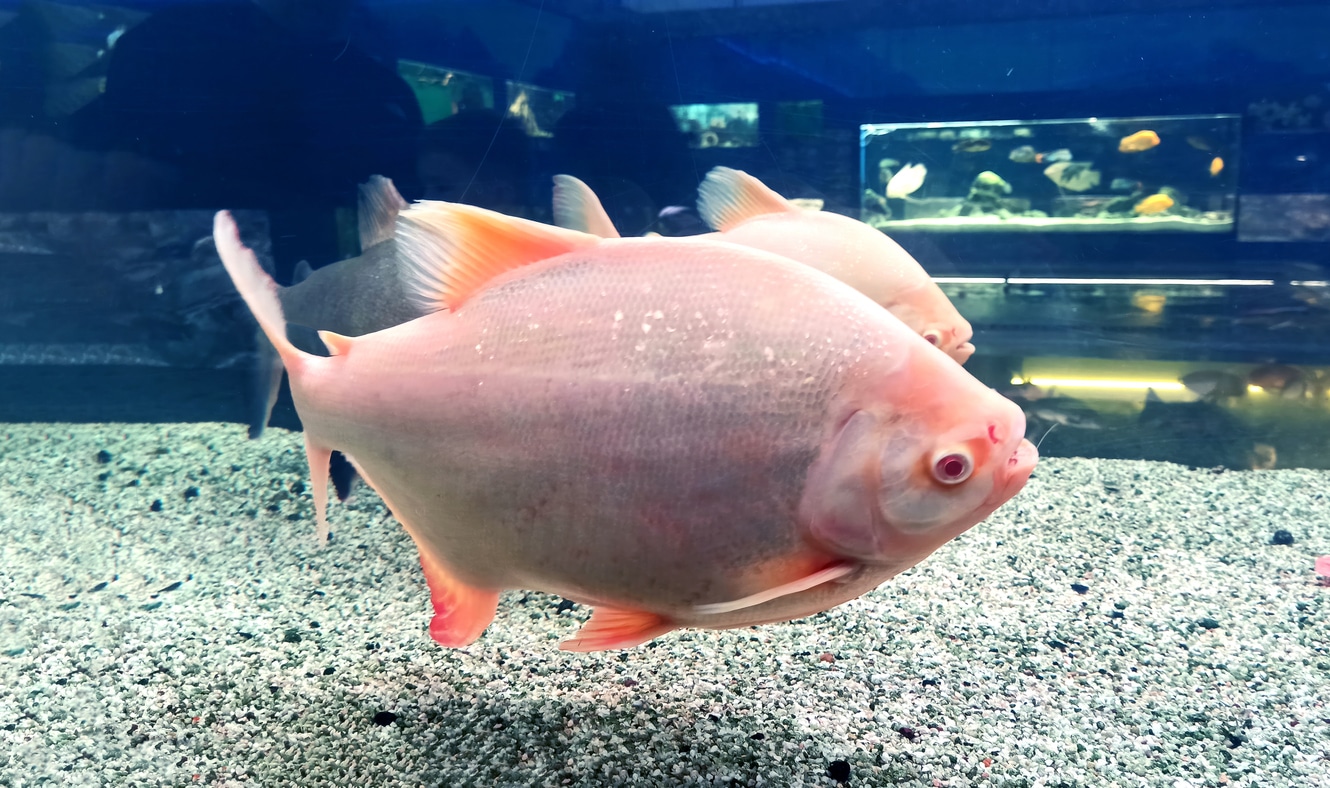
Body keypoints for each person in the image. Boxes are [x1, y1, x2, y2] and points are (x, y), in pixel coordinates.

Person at [75, 0, 424, 283]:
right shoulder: (166, 45)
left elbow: (402, 224)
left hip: (329, 317)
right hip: (167, 294)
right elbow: (119, 177)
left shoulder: (383, 93)